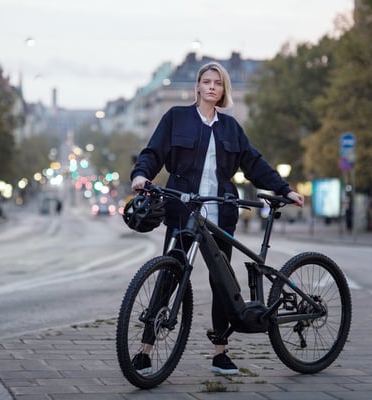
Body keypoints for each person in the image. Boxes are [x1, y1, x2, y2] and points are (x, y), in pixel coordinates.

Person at [130, 61, 304, 375]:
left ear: (223, 90)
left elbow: (254, 163)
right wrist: (141, 175)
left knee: (221, 283)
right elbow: (153, 152)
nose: (212, 87)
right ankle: (145, 350)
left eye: (218, 83)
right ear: (197, 86)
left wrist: (284, 189)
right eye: (207, 82)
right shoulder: (176, 117)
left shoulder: (230, 127)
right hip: (183, 211)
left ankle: (220, 353)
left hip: (221, 213)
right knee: (169, 276)